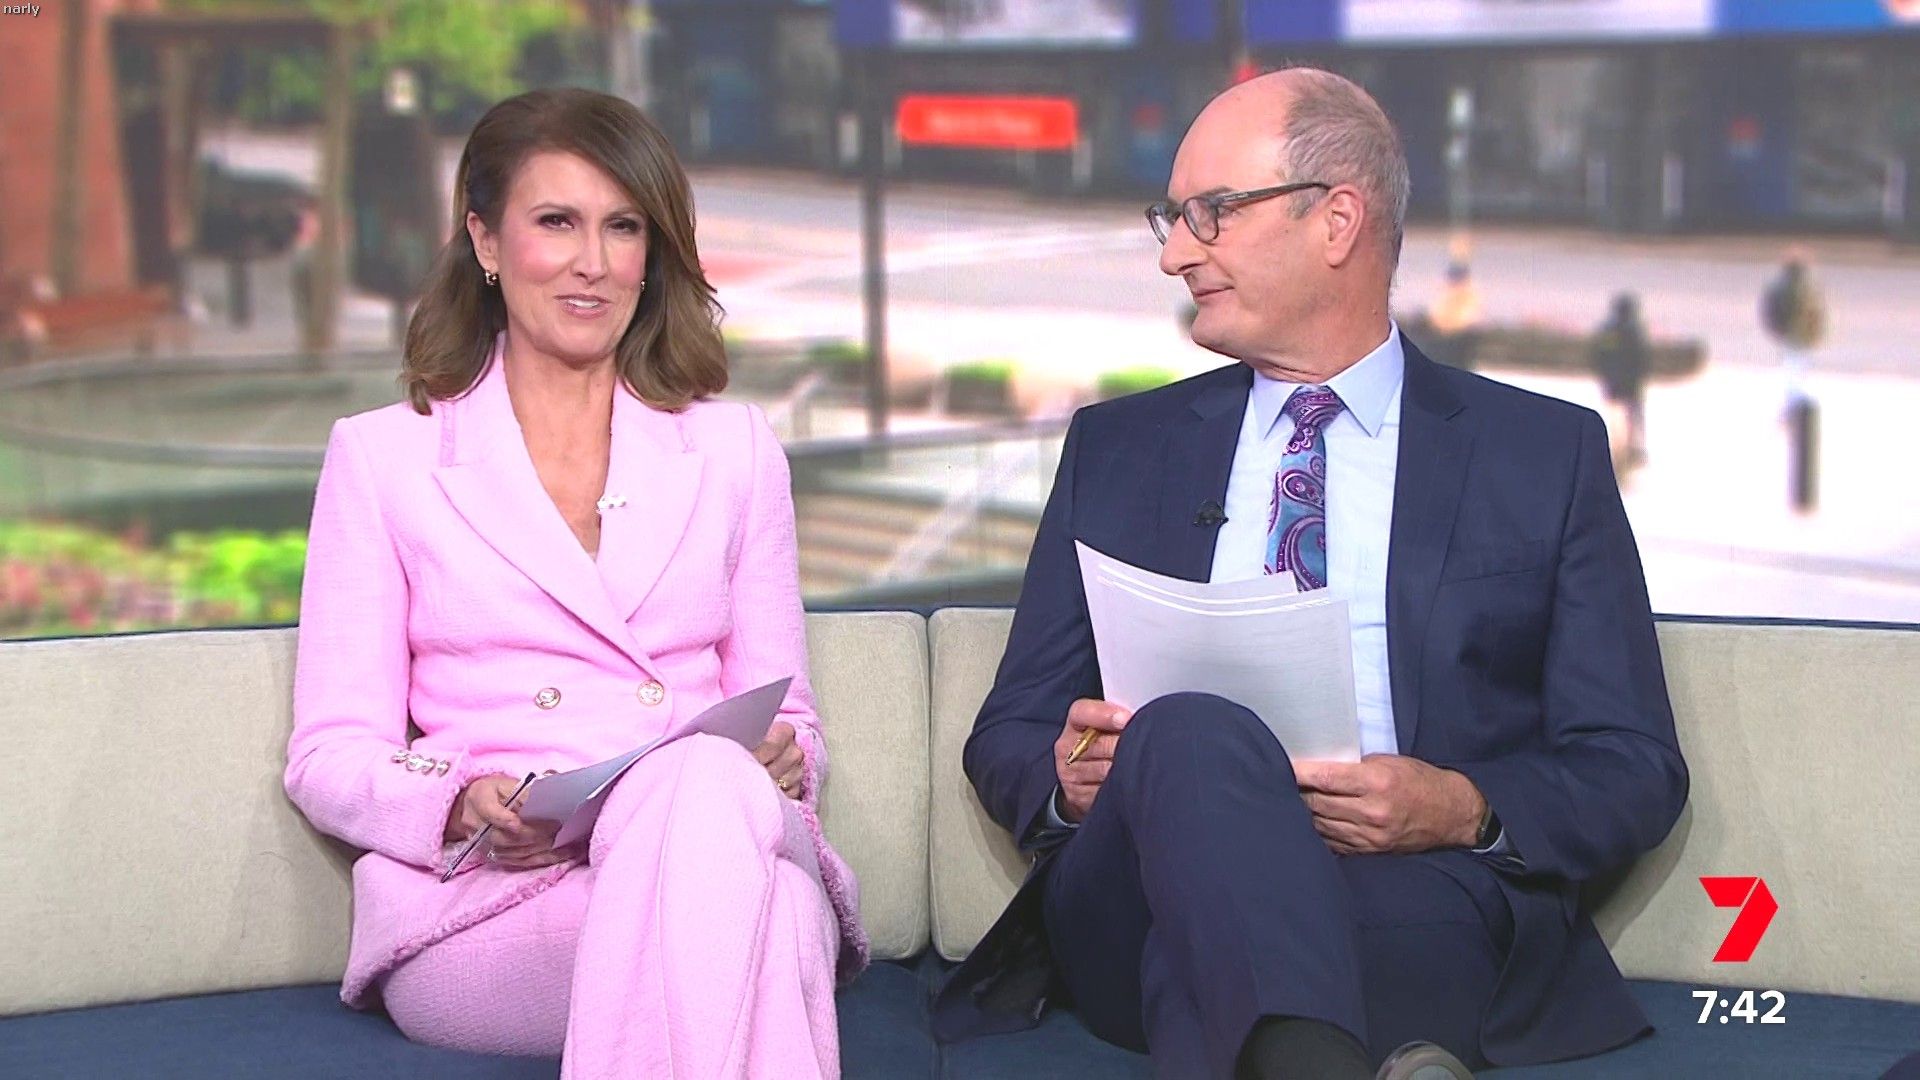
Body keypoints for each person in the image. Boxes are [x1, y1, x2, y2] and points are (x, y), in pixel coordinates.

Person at [935, 68, 1687, 1080]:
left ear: (1337, 221)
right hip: (1142, 883)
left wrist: (1459, 805)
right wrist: (1066, 782)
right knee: (1190, 728)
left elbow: (1632, 767)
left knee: (1257, 961)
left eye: (1212, 212)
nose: (1173, 252)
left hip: (1408, 886)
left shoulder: (1540, 456)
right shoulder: (1119, 450)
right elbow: (1009, 732)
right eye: (1171, 217)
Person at [284, 88, 867, 1078]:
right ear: (486, 240)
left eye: (623, 227)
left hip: (715, 836)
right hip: (497, 898)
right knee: (761, 923)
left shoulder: (734, 449)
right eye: (557, 221)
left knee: (701, 786)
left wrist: (780, 755)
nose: (593, 261)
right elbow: (328, 754)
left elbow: (790, 719)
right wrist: (460, 802)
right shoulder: (384, 458)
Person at [1589, 291, 1652, 471]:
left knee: (1619, 417)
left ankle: (1620, 447)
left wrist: (1606, 375)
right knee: (1632, 416)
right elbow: (1642, 359)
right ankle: (1631, 448)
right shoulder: (1634, 332)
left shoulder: (1610, 332)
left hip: (1615, 383)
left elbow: (1599, 356)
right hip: (1629, 383)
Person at [1760, 250, 1826, 414]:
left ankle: (1792, 405)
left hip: (1791, 335)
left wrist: (1777, 330)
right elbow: (1816, 312)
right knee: (1798, 368)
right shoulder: (1806, 286)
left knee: (1793, 368)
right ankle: (1793, 406)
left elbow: (1770, 310)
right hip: (1800, 335)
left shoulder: (1781, 286)